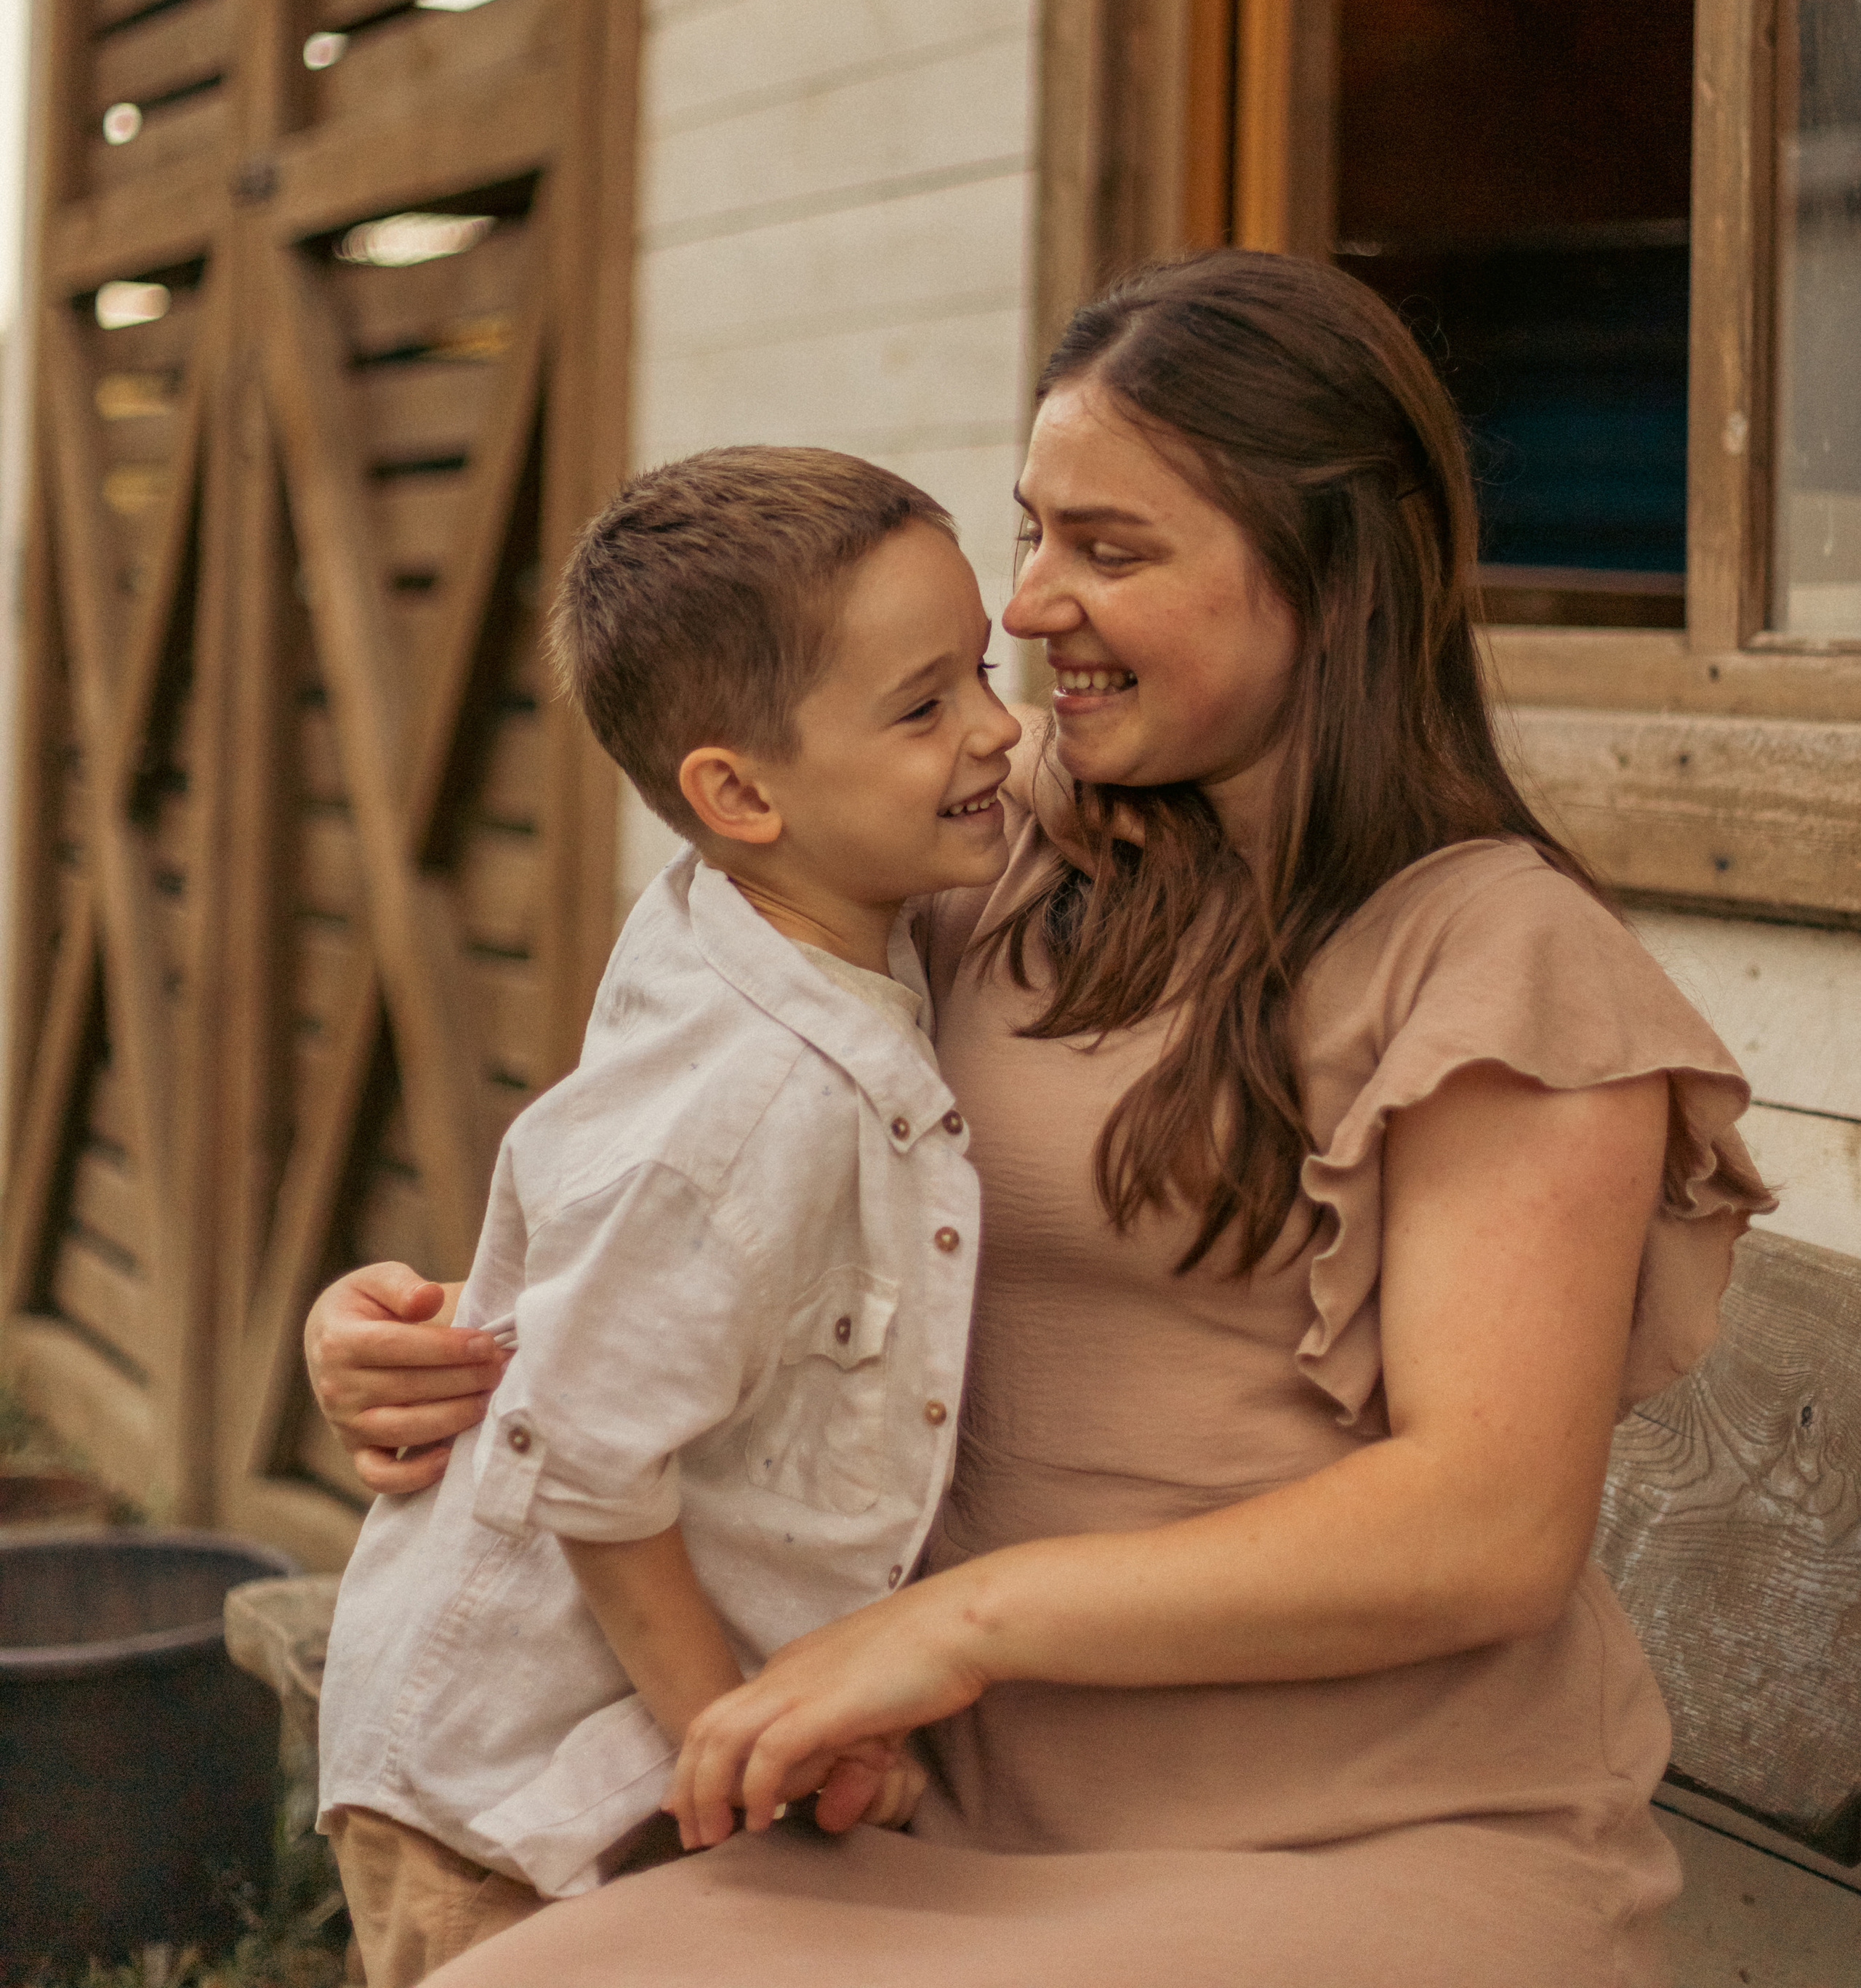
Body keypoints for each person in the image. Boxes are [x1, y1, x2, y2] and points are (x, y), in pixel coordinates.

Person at [308, 251, 1771, 1988]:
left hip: (1370, 1839)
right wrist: (410, 1337)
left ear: (1332, 572)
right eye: (1032, 531)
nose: (1023, 607)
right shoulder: (964, 872)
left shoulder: (1495, 959)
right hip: (936, 1820)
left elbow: (1483, 1527)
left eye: (1110, 549)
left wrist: (954, 1625)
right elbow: (666, 1167)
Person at [315, 446, 1021, 1984]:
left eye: (983, 669)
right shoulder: (741, 1106)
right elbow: (586, 1456)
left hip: (626, 1739)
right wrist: (743, 1743)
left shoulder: (798, 912)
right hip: (499, 1797)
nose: (996, 729)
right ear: (737, 793)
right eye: (923, 708)